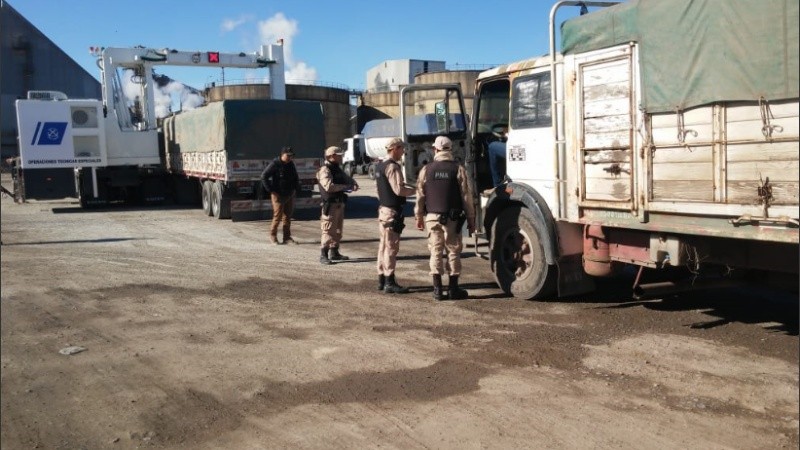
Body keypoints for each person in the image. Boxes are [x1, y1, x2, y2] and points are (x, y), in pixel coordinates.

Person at [415, 136, 476, 300]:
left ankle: (437, 290)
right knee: (453, 251)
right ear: (450, 150)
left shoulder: (426, 170)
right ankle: (453, 289)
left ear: (435, 150)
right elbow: (466, 197)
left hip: (432, 218)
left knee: (435, 251)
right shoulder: (458, 169)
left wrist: (418, 216)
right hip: (452, 219)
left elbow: (420, 196)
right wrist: (471, 218)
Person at [375, 137, 416, 294]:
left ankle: (382, 279)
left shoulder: (379, 166)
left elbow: (379, 191)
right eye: (401, 149)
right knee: (391, 248)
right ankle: (389, 281)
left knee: (383, 246)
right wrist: (417, 190)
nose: (403, 152)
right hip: (391, 211)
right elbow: (399, 190)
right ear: (395, 149)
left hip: (384, 210)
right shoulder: (392, 167)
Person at [318, 145, 359, 265]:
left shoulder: (337, 169)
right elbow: (329, 186)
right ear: (331, 156)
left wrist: (353, 183)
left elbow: (347, 179)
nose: (341, 158)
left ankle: (334, 252)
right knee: (328, 230)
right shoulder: (325, 170)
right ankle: (323, 255)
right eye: (338, 156)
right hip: (330, 205)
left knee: (337, 231)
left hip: (339, 204)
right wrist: (346, 187)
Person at [261, 146, 302, 245]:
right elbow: (264, 176)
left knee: (287, 217)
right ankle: (273, 236)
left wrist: (296, 189)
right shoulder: (275, 164)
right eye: (288, 155)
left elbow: (295, 177)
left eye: (291, 156)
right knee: (277, 216)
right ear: (282, 154)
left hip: (289, 194)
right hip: (278, 195)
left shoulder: (291, 164)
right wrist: (271, 190)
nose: (290, 158)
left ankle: (287, 237)